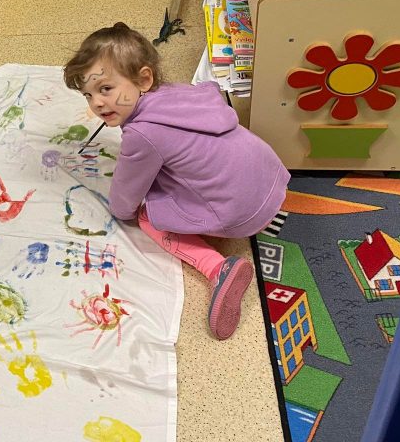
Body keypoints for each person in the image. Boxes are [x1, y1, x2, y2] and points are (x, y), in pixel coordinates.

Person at [64, 22, 289, 339]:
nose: (97, 104)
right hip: (272, 180)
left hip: (241, 214)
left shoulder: (142, 133)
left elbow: (125, 198)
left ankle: (216, 268)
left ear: (144, 79)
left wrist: (124, 211)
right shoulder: (181, 94)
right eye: (88, 95)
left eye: (105, 89)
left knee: (146, 217)